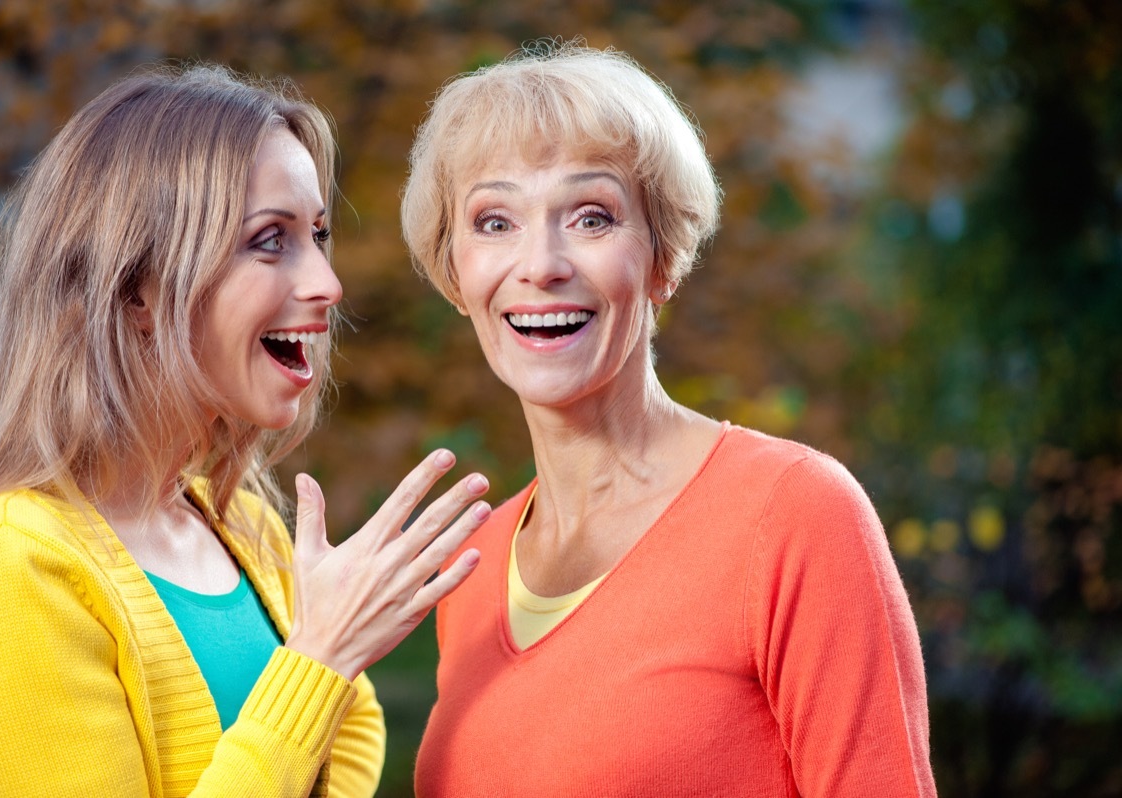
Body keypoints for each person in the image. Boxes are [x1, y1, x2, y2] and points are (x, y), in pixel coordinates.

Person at [0, 64, 488, 798]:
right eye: (269, 240)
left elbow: (347, 735)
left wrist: (330, 660)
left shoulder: (243, 526)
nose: (327, 283)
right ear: (135, 290)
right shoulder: (9, 566)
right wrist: (318, 659)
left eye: (317, 234)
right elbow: (314, 699)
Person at [401, 42, 937, 796]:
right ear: (455, 273)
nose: (541, 263)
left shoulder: (794, 514)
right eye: (495, 222)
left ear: (662, 258)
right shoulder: (471, 567)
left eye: (591, 217)